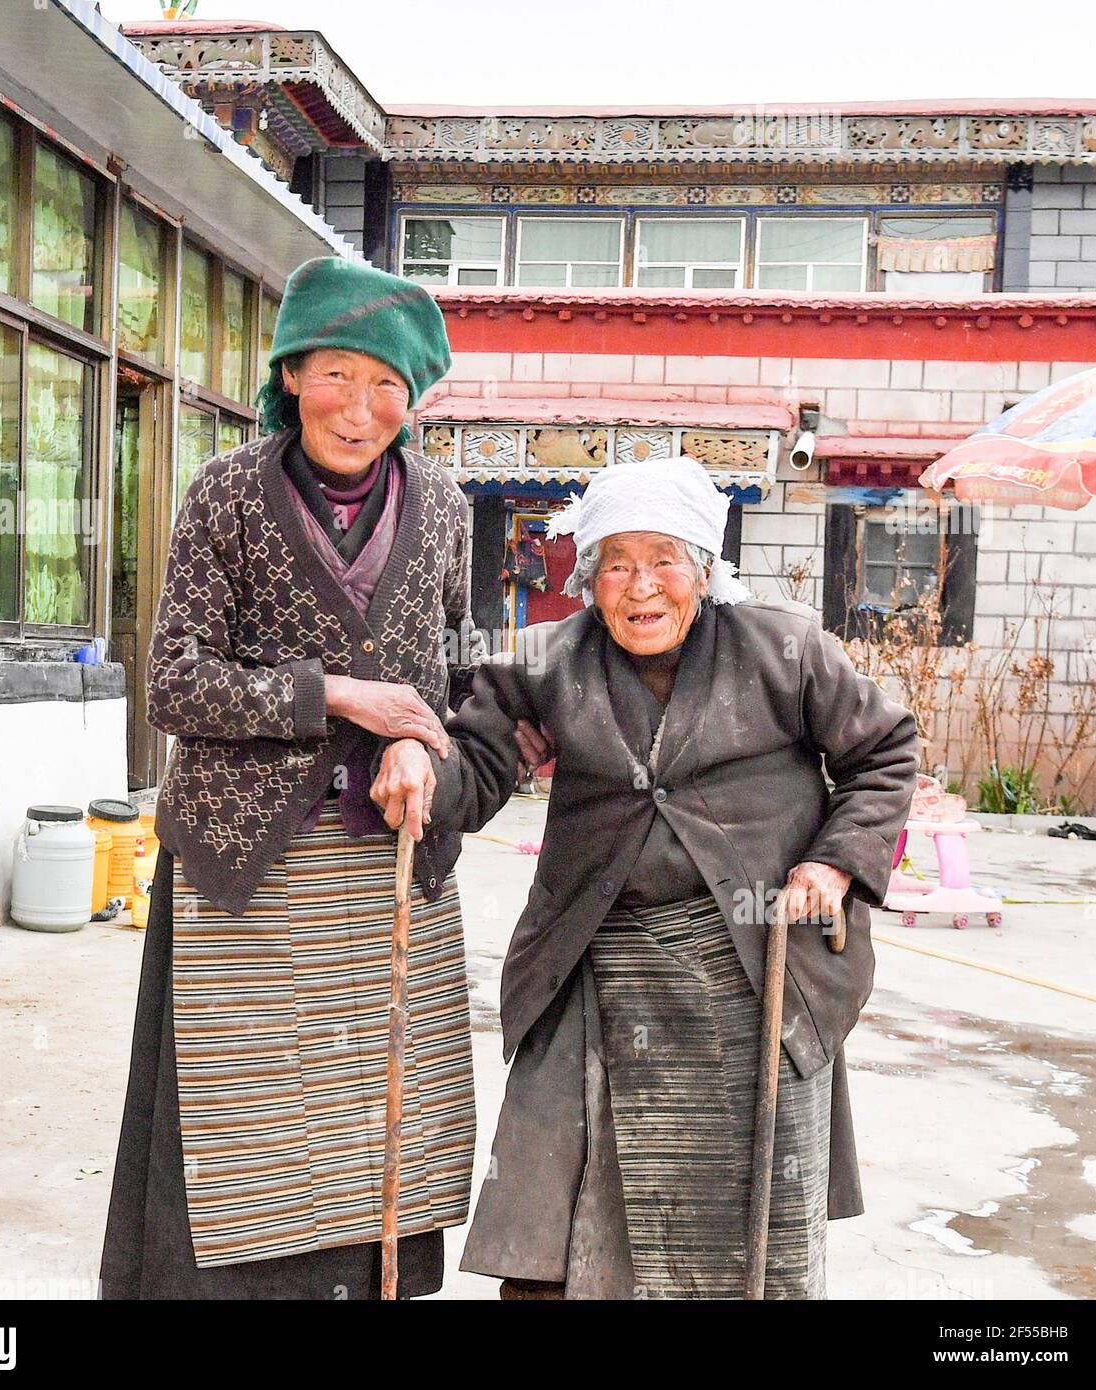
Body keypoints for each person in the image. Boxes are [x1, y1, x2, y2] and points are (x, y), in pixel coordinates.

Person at [371, 455, 920, 1299]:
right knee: (551, 1219)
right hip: (594, 952)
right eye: (616, 564)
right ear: (588, 580)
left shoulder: (782, 649)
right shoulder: (544, 661)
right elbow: (478, 759)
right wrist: (419, 765)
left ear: (703, 567)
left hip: (753, 958)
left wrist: (835, 861)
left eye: (664, 559)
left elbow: (882, 752)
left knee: (745, 1221)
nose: (640, 587)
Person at [100, 257, 483, 1300]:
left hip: (385, 853)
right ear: (288, 375)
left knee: (375, 1107)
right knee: (247, 1106)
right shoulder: (226, 490)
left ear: (412, 402)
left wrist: (419, 739)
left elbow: (461, 670)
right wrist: (347, 699)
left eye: (387, 387)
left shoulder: (445, 506)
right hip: (244, 858)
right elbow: (172, 682)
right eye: (336, 377)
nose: (358, 410)